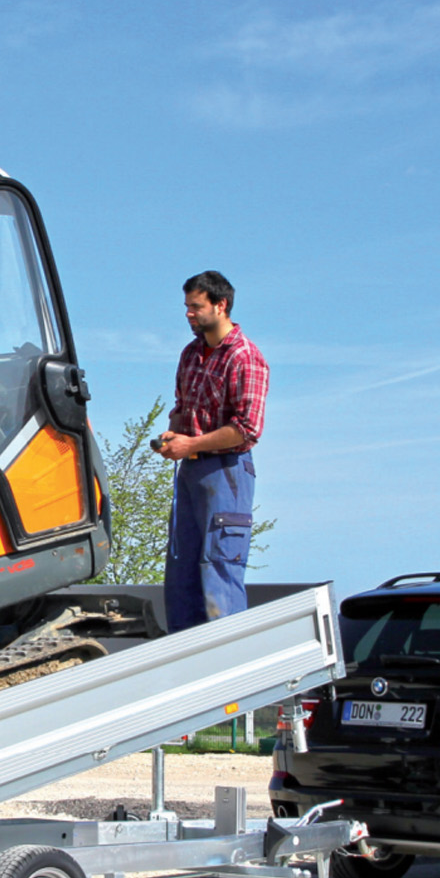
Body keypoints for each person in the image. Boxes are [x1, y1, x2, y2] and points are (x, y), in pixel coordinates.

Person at [157, 271, 269, 633]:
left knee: (219, 567)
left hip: (227, 471)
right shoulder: (191, 354)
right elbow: (182, 407)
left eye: (196, 306)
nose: (188, 314)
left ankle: (228, 658)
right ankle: (185, 653)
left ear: (221, 306)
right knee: (182, 569)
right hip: (191, 471)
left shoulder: (245, 356)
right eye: (187, 306)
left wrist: (190, 443)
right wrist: (174, 434)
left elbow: (247, 429)